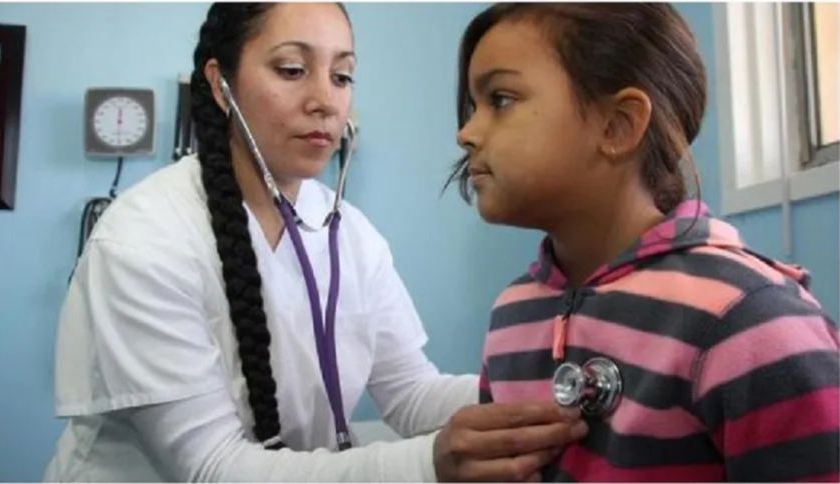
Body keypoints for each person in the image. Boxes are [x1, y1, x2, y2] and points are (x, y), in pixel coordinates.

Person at [44, 3, 588, 482]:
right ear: (219, 83)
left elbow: (411, 394)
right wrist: (429, 466)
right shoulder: (144, 241)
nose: (326, 101)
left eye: (343, 76)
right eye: (291, 70)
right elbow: (213, 469)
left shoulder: (348, 233)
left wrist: (547, 387)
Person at [451, 3, 840, 481]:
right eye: (473, 106)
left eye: (501, 99)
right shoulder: (513, 314)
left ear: (618, 125)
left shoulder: (748, 322)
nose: (466, 133)